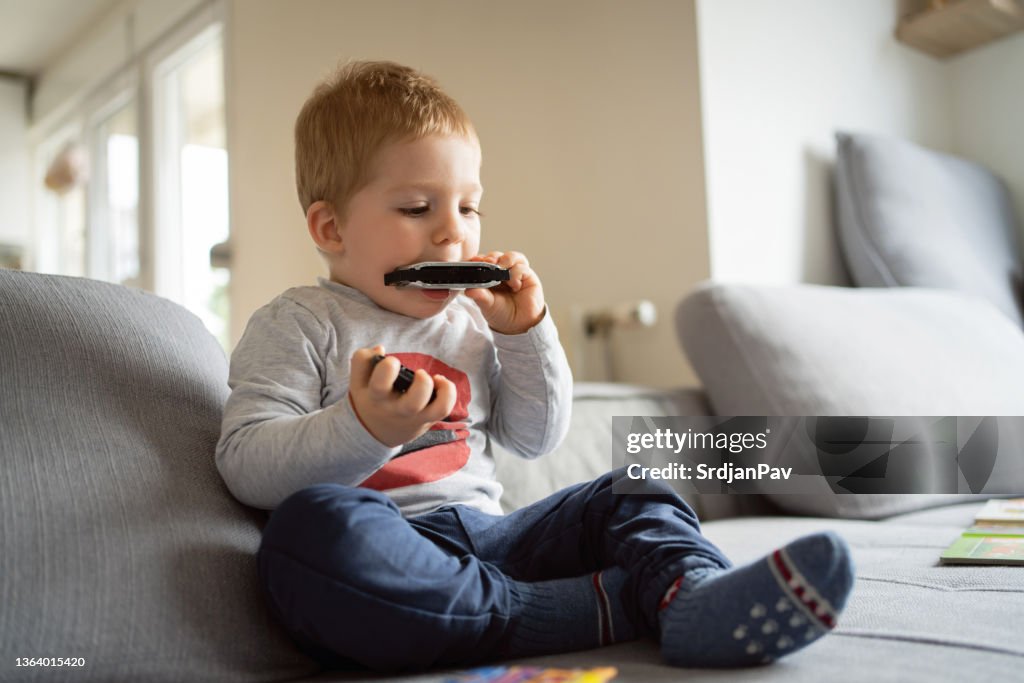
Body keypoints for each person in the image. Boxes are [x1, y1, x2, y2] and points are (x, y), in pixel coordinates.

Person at [215, 60, 854, 673]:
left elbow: (534, 436)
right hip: (393, 553)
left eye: (468, 209)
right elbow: (246, 464)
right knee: (307, 538)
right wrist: (363, 427)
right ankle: (601, 607)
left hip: (497, 541)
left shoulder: (470, 319)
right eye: (416, 208)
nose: (452, 236)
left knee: (631, 489)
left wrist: (524, 334)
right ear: (331, 228)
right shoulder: (299, 321)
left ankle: (691, 595)